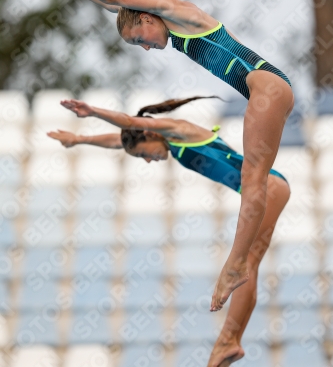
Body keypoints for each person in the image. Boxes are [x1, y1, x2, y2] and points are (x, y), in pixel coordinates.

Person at [27, 0, 294, 311]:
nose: (147, 47)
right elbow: (112, 6)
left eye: (140, 37)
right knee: (253, 176)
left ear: (147, 15)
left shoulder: (177, 12)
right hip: (266, 88)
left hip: (265, 86)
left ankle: (235, 265)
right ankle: (236, 266)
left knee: (253, 177)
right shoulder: (166, 22)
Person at [48, 95, 290, 367]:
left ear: (150, 133)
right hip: (269, 190)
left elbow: (127, 122)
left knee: (245, 265)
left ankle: (228, 341)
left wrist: (93, 112)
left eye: (143, 154)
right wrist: (79, 140)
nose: (148, 160)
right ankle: (231, 341)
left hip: (268, 188)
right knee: (248, 265)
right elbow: (118, 139)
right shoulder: (172, 144)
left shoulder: (179, 130)